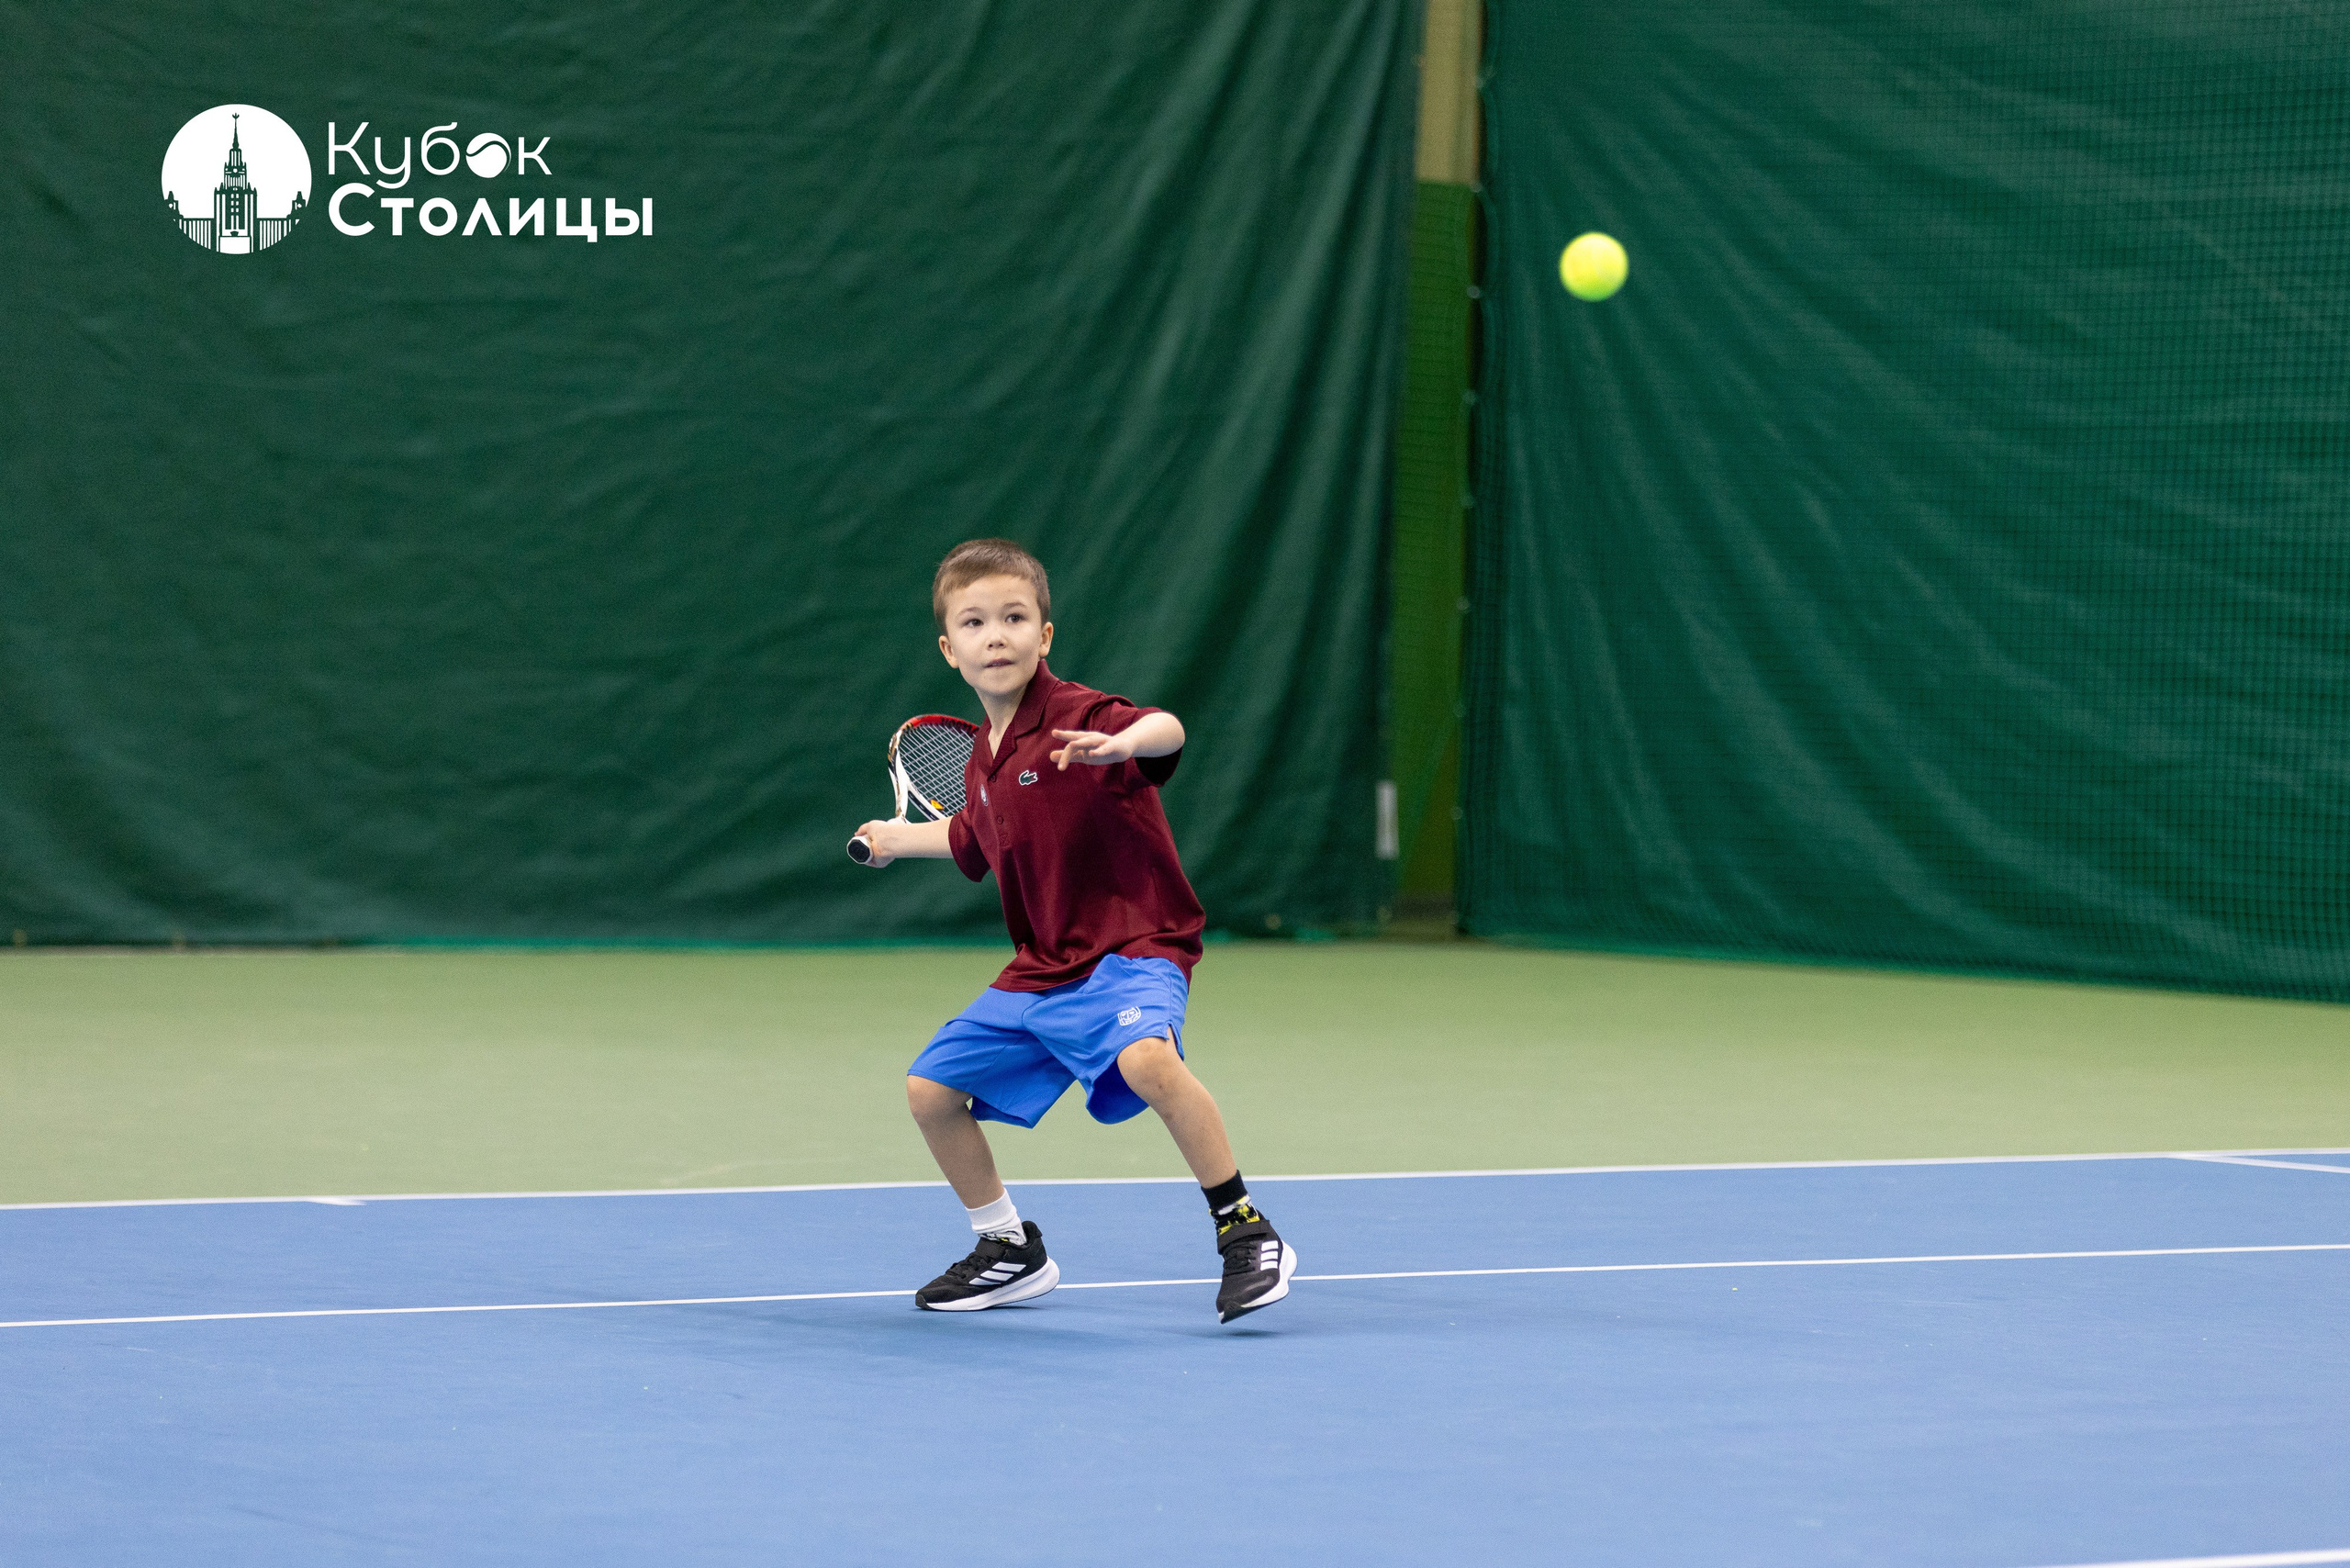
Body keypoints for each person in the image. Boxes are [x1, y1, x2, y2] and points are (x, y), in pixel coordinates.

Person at [851, 538, 1294, 1324]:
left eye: (1016, 618)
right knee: (931, 1092)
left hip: (1134, 945)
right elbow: (969, 838)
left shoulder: (1080, 716)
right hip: (1043, 967)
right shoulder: (981, 761)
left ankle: (1244, 1228)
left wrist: (1127, 743)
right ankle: (1008, 1248)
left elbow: (1168, 728)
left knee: (1148, 1059)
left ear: (1044, 636)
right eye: (977, 622)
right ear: (950, 650)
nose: (998, 636)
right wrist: (893, 840)